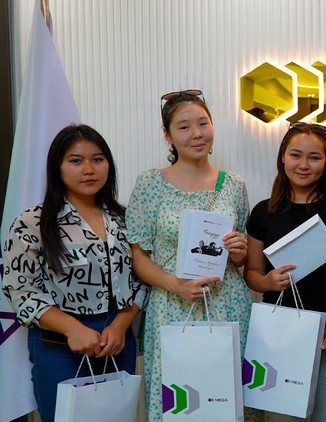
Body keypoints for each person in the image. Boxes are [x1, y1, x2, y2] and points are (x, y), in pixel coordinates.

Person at [2, 124, 149, 422]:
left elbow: (143, 278)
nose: (89, 169)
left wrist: (121, 324)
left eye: (98, 159)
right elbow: (21, 292)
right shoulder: (32, 222)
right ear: (57, 167)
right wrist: (72, 329)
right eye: (76, 160)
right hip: (58, 344)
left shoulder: (125, 219)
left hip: (117, 340)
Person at [124, 90, 254, 421]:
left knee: (226, 401)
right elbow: (139, 256)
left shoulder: (234, 185)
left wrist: (239, 252)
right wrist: (176, 285)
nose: (196, 134)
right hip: (172, 306)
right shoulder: (151, 183)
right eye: (184, 127)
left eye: (203, 123)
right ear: (167, 135)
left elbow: (240, 259)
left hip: (227, 305)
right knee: (179, 402)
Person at [244, 121, 326, 421]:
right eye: (296, 155)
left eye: (314, 157)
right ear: (283, 157)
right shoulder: (264, 212)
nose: (304, 165)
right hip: (279, 337)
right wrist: (268, 282)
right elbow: (252, 272)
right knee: (280, 417)